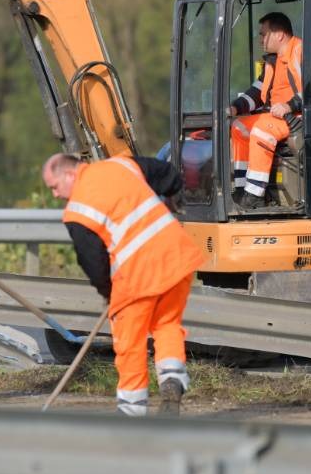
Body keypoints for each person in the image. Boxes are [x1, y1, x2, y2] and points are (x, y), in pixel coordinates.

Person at [42, 152, 203, 417]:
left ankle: (131, 412)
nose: (55, 194)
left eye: (55, 186)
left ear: (69, 175)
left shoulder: (78, 210)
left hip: (137, 273)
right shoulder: (121, 164)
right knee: (167, 325)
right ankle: (172, 379)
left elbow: (92, 261)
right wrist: (174, 195)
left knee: (130, 342)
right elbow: (166, 172)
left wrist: (108, 293)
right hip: (176, 257)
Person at [233, 12, 304, 210]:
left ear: (279, 34)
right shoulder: (272, 62)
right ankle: (242, 189)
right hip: (276, 117)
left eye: (263, 34)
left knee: (262, 129)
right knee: (238, 126)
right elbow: (256, 92)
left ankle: (255, 195)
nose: (260, 39)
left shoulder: (300, 51)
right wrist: (235, 107)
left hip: (297, 117)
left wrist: (290, 105)